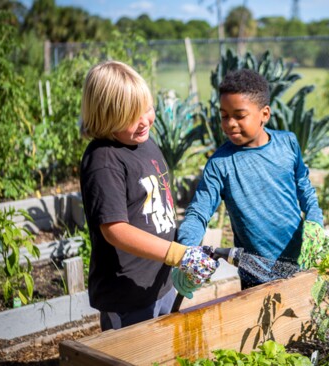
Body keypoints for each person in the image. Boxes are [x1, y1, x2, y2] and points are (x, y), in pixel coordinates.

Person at [79, 60, 218, 331]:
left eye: (147, 109)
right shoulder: (103, 159)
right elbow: (115, 230)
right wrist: (178, 254)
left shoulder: (145, 142)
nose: (144, 121)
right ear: (105, 116)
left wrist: (178, 258)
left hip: (160, 281)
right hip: (127, 294)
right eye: (132, 116)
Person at [177, 69, 325, 290]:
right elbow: (199, 211)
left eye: (239, 115)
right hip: (255, 275)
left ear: (264, 114)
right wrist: (186, 250)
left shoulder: (288, 144)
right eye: (224, 116)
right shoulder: (220, 163)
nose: (230, 124)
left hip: (301, 261)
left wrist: (314, 219)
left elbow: (304, 187)